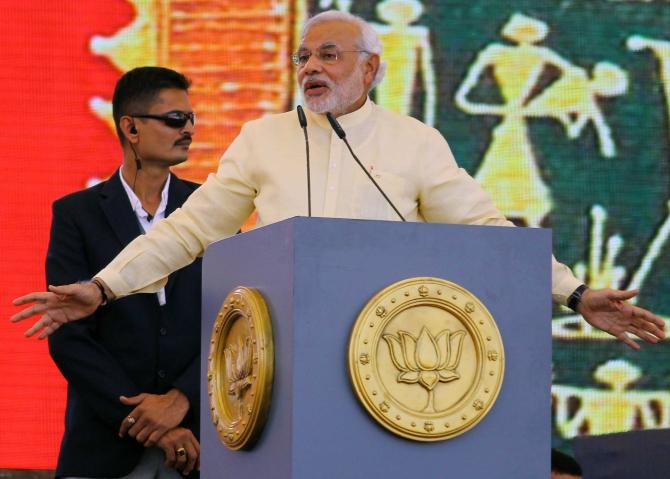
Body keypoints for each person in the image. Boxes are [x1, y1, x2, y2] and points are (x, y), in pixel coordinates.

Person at [11, 12, 664, 355]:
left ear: (371, 68)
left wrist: (574, 293)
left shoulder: (414, 142)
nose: (311, 67)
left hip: (387, 347)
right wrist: (104, 286)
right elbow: (190, 230)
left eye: (329, 54)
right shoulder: (262, 138)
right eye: (303, 57)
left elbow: (487, 233)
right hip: (277, 349)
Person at [44, 67, 200, 477]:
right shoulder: (76, 214)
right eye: (174, 119)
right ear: (130, 128)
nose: (188, 130)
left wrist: (181, 400)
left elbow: (234, 323)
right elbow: (69, 336)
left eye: (191, 119)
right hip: (102, 445)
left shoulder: (210, 209)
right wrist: (150, 423)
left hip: (195, 447)